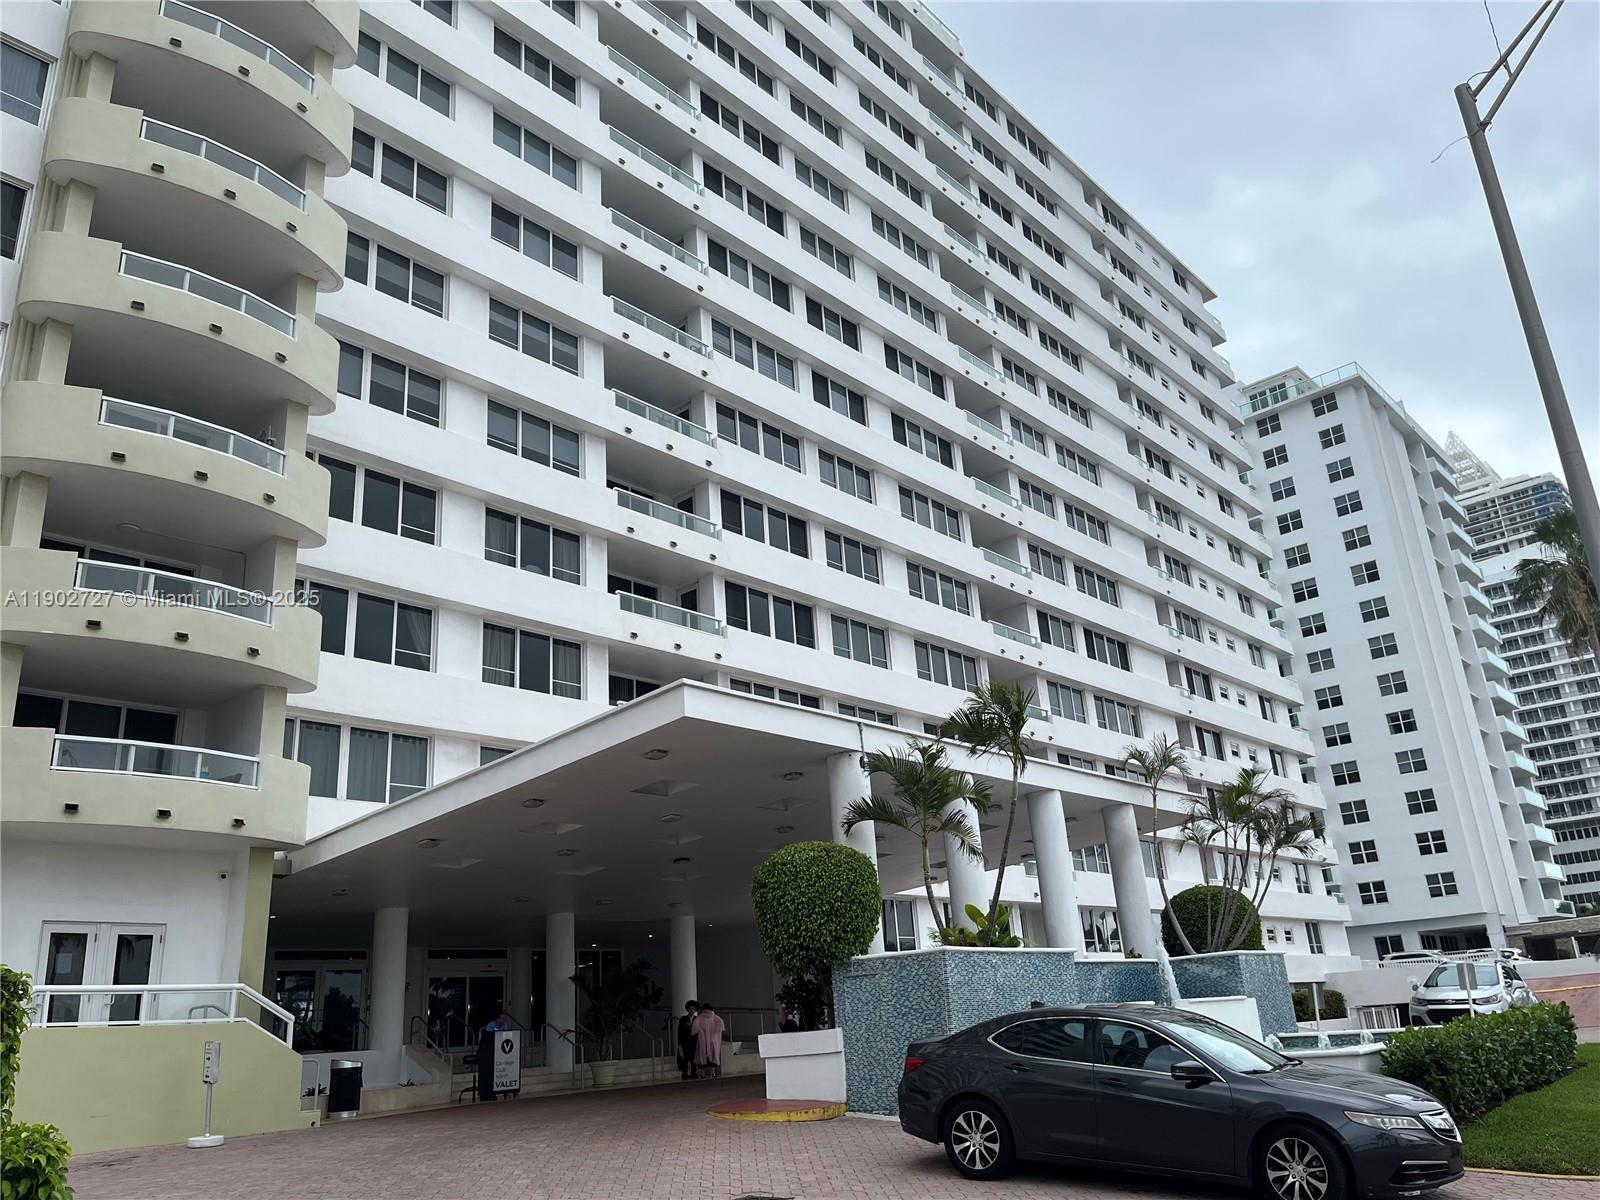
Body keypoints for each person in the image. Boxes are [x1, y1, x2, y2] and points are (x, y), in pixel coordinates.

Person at [692, 1001, 726, 1079]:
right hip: (713, 1041)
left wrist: (700, 1030)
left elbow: (695, 1025)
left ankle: (703, 1074)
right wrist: (715, 1033)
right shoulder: (715, 1017)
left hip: (702, 1041)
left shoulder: (700, 1017)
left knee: (702, 1056)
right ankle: (713, 1073)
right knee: (713, 1056)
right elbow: (721, 1025)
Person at [676, 1000, 699, 1081]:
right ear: (688, 1009)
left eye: (693, 1008)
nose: (691, 1010)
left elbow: (699, 1030)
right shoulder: (683, 1018)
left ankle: (693, 1072)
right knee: (684, 1058)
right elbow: (680, 1031)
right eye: (690, 1008)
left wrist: (692, 1026)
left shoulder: (697, 1019)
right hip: (685, 1041)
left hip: (694, 1041)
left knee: (694, 1058)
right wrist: (679, 1043)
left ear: (695, 1009)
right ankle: (684, 1073)